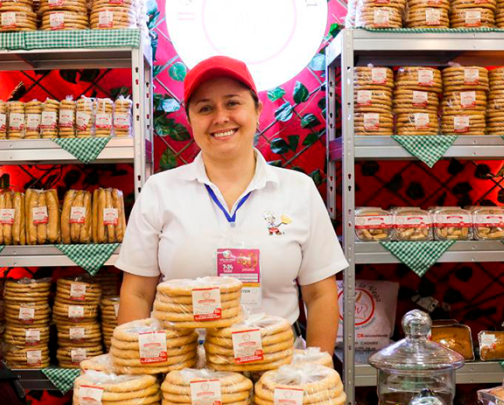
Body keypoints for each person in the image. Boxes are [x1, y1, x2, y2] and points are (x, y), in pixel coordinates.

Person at [115, 56, 348, 353]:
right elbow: (136, 292)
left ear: (258, 110)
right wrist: (135, 375)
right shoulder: (160, 191)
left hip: (278, 368)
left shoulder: (298, 190)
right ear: (189, 120)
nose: (220, 117)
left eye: (233, 103)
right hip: (187, 369)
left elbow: (320, 295)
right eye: (205, 108)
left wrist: (316, 373)